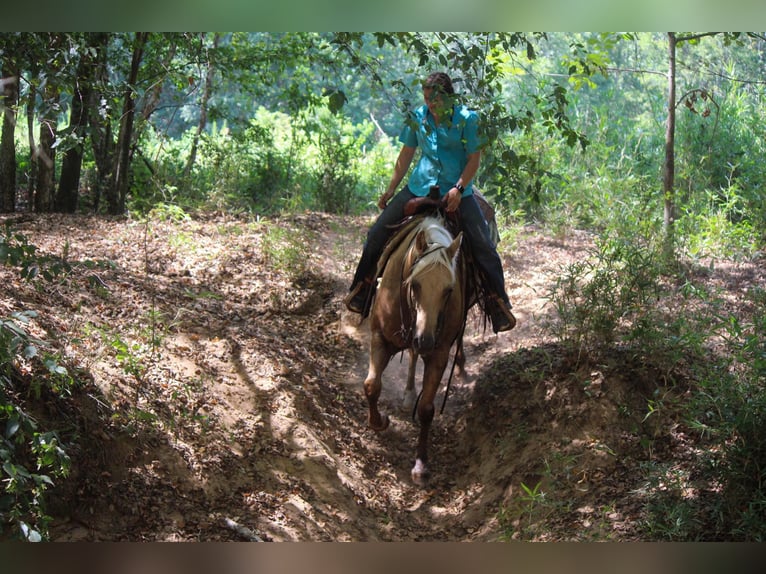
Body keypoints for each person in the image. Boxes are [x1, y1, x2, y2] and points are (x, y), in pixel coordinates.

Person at [344, 72, 516, 333]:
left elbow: (473, 159)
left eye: (435, 99)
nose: (430, 104)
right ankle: (362, 289)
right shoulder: (417, 117)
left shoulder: (468, 120)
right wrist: (391, 189)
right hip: (418, 187)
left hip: (457, 193)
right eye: (426, 98)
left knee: (483, 245)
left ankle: (497, 303)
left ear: (449, 97)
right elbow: (406, 155)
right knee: (377, 233)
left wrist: (459, 188)